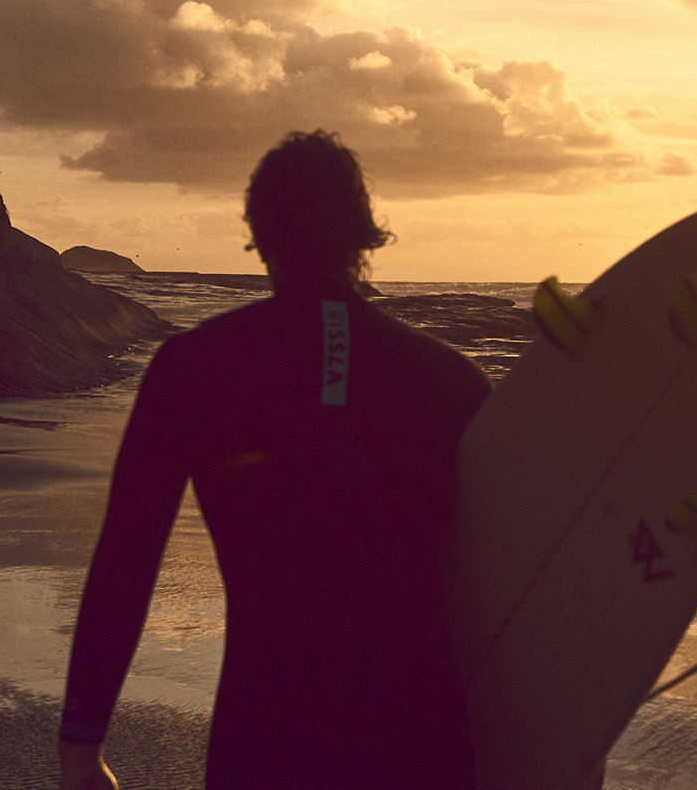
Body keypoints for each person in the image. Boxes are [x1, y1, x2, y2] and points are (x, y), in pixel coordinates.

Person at [57, 130, 490, 789]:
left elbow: (128, 555)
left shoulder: (193, 369)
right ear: (363, 234)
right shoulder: (454, 382)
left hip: (266, 744)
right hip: (425, 746)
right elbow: (511, 576)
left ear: (259, 234)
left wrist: (82, 745)